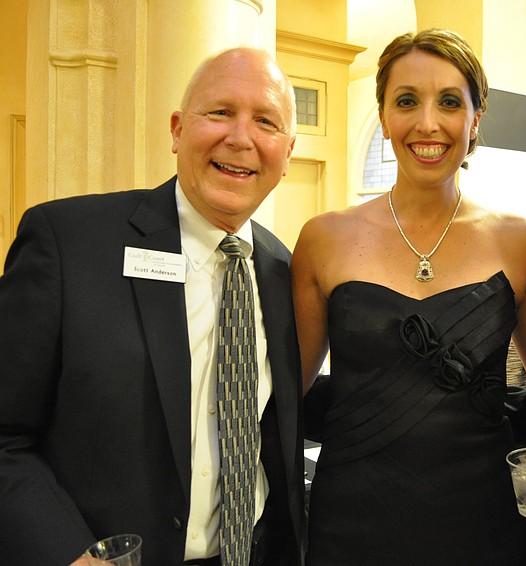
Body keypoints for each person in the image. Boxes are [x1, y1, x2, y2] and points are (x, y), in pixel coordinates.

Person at [0, 47, 306, 565]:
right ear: (176, 130)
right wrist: (69, 554)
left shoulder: (283, 269)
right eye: (219, 112)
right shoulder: (68, 243)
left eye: (265, 121)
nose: (240, 137)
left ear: (288, 151)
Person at [292, 28, 526, 566]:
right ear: (384, 116)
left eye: (451, 102)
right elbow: (282, 393)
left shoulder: (523, 241)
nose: (428, 123)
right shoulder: (324, 238)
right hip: (352, 520)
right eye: (407, 101)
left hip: (485, 518)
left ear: (476, 119)